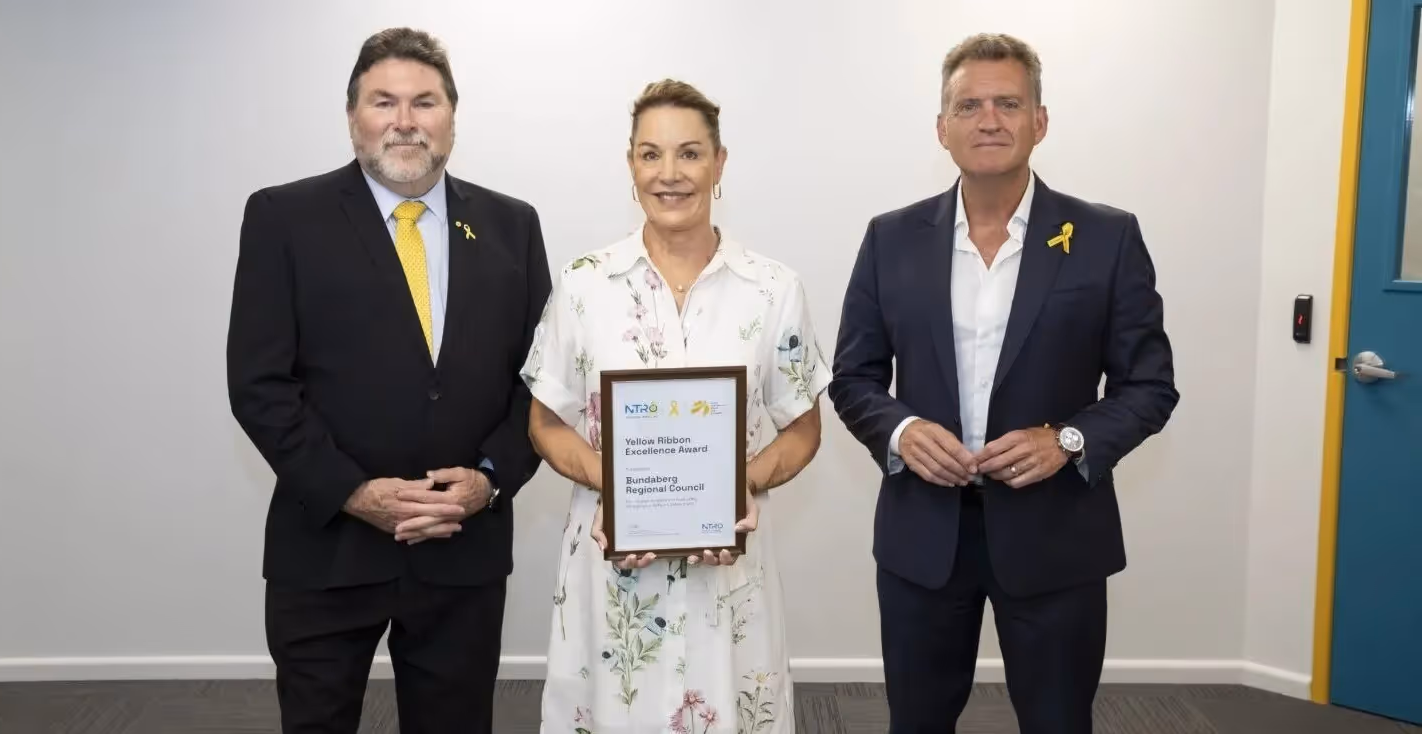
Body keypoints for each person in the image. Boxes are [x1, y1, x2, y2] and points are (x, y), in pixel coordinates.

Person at [828, 33, 1179, 734]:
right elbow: (853, 378)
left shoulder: (1106, 238)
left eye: (1008, 103)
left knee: (1057, 722)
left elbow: (1149, 386)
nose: (989, 119)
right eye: (969, 105)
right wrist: (901, 430)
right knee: (916, 723)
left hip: (1056, 538)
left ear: (1039, 121)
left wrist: (1069, 440)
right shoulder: (889, 238)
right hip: (922, 538)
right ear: (943, 128)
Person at [225, 28, 550, 734]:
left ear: (452, 118)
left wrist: (489, 480)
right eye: (384, 101)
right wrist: (351, 492)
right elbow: (259, 382)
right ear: (352, 118)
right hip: (326, 553)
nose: (405, 120)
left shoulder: (511, 226)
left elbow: (539, 383)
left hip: (462, 551)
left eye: (424, 102)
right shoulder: (284, 218)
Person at [520, 79, 830, 734]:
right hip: (611, 564)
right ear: (630, 165)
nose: (669, 174)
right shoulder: (584, 285)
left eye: (689, 154)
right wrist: (624, 488)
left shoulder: (773, 289)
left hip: (731, 565)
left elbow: (803, 430)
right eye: (650, 155)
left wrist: (735, 485)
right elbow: (545, 422)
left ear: (720, 164)